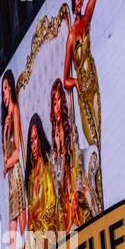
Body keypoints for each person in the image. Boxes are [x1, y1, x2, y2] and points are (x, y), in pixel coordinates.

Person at [63, 0, 102, 209]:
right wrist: (76, 83)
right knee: (93, 144)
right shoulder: (70, 36)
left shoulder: (86, 18)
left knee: (100, 138)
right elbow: (65, 76)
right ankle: (98, 198)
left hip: (94, 87)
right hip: (83, 94)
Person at [50, 78, 92, 233]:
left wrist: (76, 192)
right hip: (66, 196)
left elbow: (78, 161)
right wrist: (59, 146)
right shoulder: (55, 141)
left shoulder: (70, 129)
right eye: (53, 103)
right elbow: (58, 181)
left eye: (58, 100)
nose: (56, 106)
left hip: (77, 187)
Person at [1, 69, 27, 249]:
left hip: (16, 176)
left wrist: (7, 164)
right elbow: (5, 152)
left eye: (7, 88)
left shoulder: (16, 110)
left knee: (23, 234)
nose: (5, 94)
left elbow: (17, 151)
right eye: (3, 91)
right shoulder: (7, 119)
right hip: (11, 182)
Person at [25, 113, 60, 249]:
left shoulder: (46, 167)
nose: (33, 145)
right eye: (30, 141)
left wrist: (40, 229)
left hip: (49, 233)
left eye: (35, 139)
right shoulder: (31, 176)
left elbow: (52, 204)